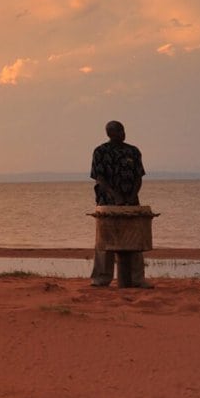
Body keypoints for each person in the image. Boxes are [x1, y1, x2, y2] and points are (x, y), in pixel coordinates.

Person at [88, 121, 148, 287]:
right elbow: (99, 178)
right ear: (109, 134)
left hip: (131, 201)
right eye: (118, 131)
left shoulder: (133, 151)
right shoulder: (100, 151)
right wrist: (115, 196)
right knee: (105, 241)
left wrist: (132, 196)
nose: (122, 134)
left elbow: (138, 177)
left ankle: (137, 279)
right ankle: (101, 278)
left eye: (123, 130)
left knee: (135, 240)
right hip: (106, 202)